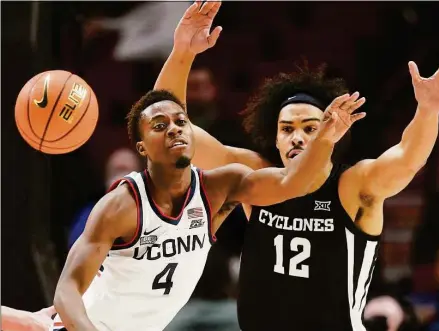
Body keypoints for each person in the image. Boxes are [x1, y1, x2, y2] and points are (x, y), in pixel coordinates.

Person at [155, 2, 439, 330]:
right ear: (274, 138)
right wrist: (181, 53)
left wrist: (428, 112)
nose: (297, 138)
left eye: (310, 128)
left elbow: (408, 157)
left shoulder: (353, 185)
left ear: (331, 132)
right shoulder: (254, 177)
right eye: (287, 129)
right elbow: (169, 130)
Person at [51, 70, 366, 330]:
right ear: (142, 148)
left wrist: (324, 139)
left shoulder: (219, 188)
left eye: (181, 122)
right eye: (160, 126)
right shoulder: (122, 204)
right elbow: (67, 291)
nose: (174, 129)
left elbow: (292, 182)